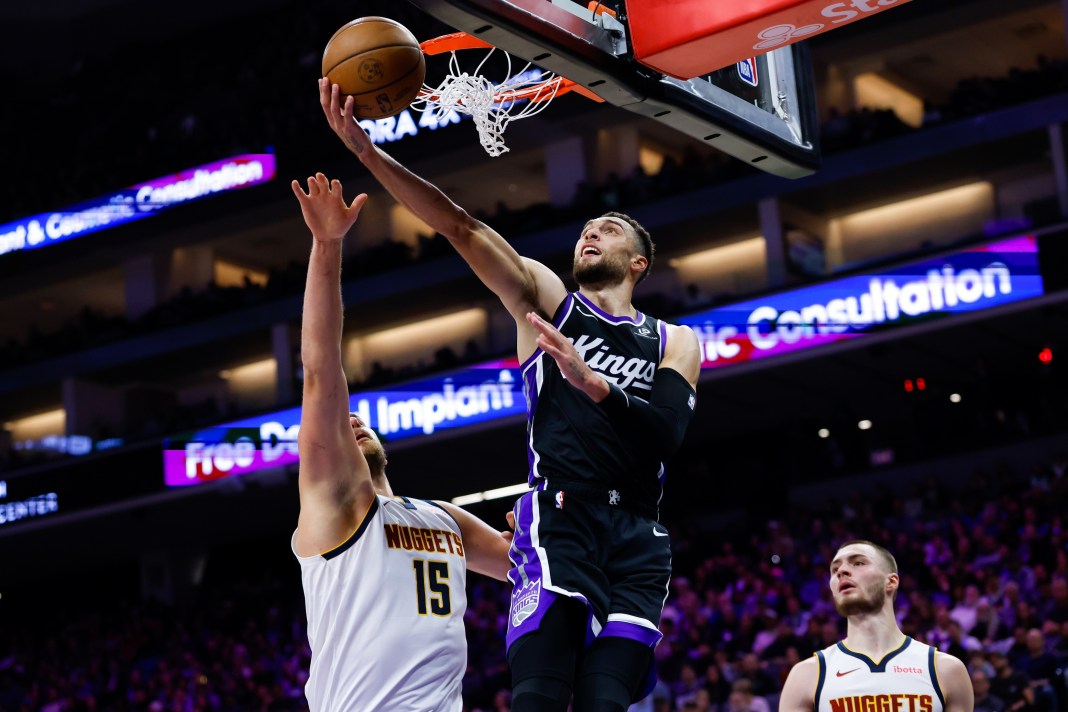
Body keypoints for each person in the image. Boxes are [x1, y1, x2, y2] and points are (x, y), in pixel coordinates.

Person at [319, 78, 701, 711]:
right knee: (543, 697)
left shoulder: (676, 341)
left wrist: (591, 383)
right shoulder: (547, 303)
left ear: (639, 262)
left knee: (608, 701)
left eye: (606, 231)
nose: (590, 236)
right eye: (586, 230)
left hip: (639, 534)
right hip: (561, 516)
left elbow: (666, 437)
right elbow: (461, 229)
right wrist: (367, 152)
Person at [289, 172, 514, 711]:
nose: (352, 421)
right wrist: (327, 244)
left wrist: (539, 529)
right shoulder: (336, 506)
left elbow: (521, 565)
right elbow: (321, 371)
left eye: (359, 418)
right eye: (343, 422)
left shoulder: (444, 519)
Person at [779, 540, 974, 712]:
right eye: (834, 569)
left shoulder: (946, 670)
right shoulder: (806, 675)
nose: (842, 571)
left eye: (858, 563)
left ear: (891, 581)